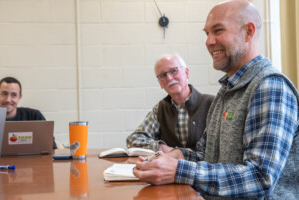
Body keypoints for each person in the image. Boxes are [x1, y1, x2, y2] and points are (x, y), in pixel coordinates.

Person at [133, 0, 299, 199]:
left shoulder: (270, 86)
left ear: (248, 32)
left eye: (218, 31)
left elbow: (260, 177)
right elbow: (206, 155)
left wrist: (179, 170)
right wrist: (178, 155)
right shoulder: (225, 92)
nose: (209, 41)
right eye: (207, 33)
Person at [126, 54, 214, 152]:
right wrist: (162, 147)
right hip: (169, 166)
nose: (169, 78)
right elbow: (133, 140)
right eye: (163, 75)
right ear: (160, 83)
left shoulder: (212, 104)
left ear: (186, 73)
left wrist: (179, 154)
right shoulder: (160, 109)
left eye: (174, 71)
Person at [0, 77, 57, 149]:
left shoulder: (34, 116)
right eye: (4, 94)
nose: (8, 100)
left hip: (31, 160)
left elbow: (51, 147)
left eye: (14, 95)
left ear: (19, 97)